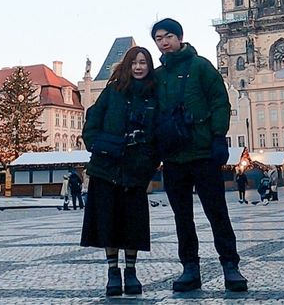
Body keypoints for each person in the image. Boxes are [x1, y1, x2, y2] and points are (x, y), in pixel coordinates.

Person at [152, 18, 247, 293]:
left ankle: (230, 265)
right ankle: (190, 268)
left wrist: (218, 136)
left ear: (180, 37)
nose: (164, 42)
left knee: (217, 212)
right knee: (182, 217)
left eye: (168, 36)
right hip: (173, 157)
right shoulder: (158, 77)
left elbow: (220, 101)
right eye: (159, 38)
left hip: (203, 152)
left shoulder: (201, 66)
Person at [81, 45, 161, 297]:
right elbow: (92, 120)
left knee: (132, 224)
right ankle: (113, 272)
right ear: (127, 65)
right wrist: (95, 143)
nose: (138, 67)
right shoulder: (112, 91)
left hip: (136, 170)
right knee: (109, 222)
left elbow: (157, 134)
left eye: (143, 63)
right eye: (134, 63)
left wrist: (149, 164)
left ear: (149, 67)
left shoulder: (153, 95)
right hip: (106, 168)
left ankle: (131, 271)